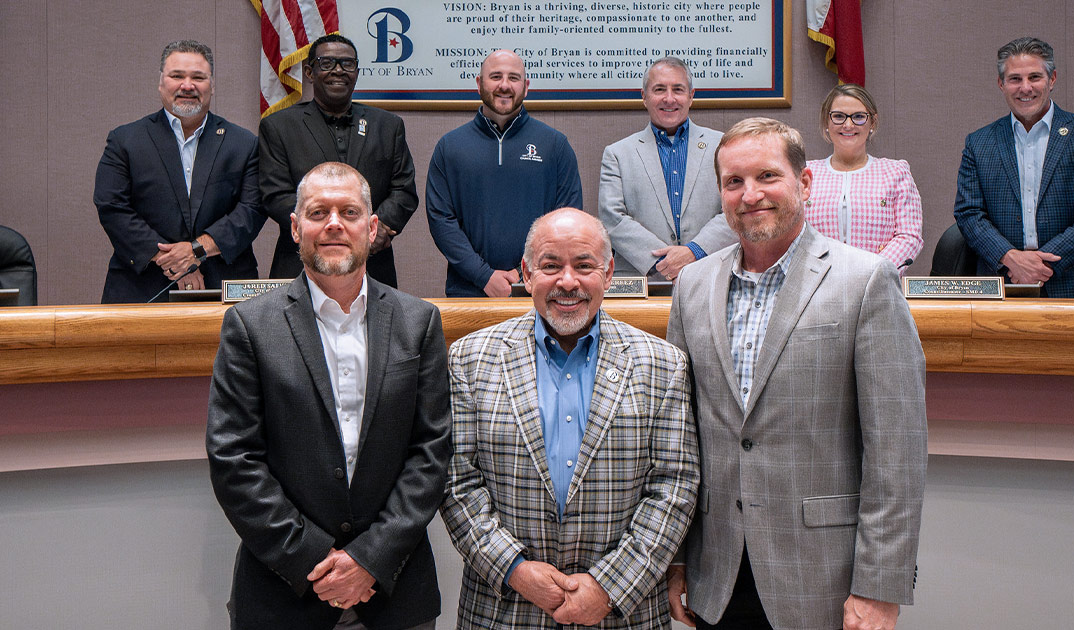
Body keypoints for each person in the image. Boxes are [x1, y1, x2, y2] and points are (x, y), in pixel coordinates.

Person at [666, 118, 927, 630]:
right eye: (733, 182)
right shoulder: (692, 285)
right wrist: (677, 559)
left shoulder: (865, 280)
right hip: (717, 574)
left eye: (767, 176)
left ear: (804, 183)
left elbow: (897, 448)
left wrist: (879, 584)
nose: (750, 195)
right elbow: (680, 439)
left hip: (824, 575)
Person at [207, 162, 451, 630]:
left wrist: (369, 560)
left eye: (349, 212)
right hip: (285, 593)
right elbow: (234, 459)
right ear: (296, 228)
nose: (334, 224)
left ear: (372, 227)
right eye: (319, 212)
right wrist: (315, 562)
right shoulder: (250, 326)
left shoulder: (418, 322)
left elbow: (431, 453)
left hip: (394, 593)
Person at [440, 208, 699, 628]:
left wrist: (609, 587)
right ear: (526, 272)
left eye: (584, 266)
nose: (567, 282)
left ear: (609, 272)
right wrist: (515, 571)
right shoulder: (470, 359)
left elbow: (675, 485)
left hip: (622, 613)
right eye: (550, 266)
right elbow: (456, 482)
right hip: (503, 610)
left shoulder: (662, 363)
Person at [95, 40, 263, 303]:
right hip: (142, 286)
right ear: (161, 83)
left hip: (224, 286)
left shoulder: (243, 143)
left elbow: (252, 209)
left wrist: (196, 251)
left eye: (198, 77)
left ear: (212, 85)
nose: (187, 85)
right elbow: (112, 206)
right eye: (177, 76)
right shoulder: (125, 140)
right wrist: (174, 262)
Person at [954, 36, 1074, 297]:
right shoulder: (979, 143)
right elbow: (968, 213)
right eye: (1015, 79)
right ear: (1001, 84)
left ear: (1052, 79)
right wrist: (1011, 258)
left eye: (1034, 77)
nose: (1025, 88)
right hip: (1003, 285)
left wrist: (1039, 264)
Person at [258, 34, 418, 287]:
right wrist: (325, 227)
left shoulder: (387, 126)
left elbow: (404, 191)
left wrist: (371, 231)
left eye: (347, 64)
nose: (338, 71)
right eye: (327, 63)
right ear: (310, 72)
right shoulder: (278, 127)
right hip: (300, 264)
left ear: (357, 72)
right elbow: (275, 195)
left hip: (373, 265)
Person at [426, 50, 584, 297]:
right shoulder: (450, 147)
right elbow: (441, 220)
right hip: (469, 290)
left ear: (526, 86)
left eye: (513, 78)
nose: (504, 85)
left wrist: (525, 275)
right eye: (496, 76)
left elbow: (567, 219)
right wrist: (483, 276)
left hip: (540, 288)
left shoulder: (555, 146)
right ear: (479, 84)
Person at [598, 57, 736, 281]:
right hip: (646, 283)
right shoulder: (617, 154)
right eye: (659, 89)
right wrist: (665, 263)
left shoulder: (722, 146)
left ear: (691, 96)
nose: (669, 98)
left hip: (711, 277)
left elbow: (735, 208)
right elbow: (612, 219)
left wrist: (694, 252)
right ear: (644, 97)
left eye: (678, 90)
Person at [805, 84, 923, 271]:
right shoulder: (806, 174)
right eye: (838, 116)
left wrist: (870, 272)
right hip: (817, 286)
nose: (848, 125)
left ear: (872, 123)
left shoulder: (895, 172)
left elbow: (909, 236)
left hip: (877, 287)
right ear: (826, 122)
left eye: (859, 117)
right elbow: (792, 235)